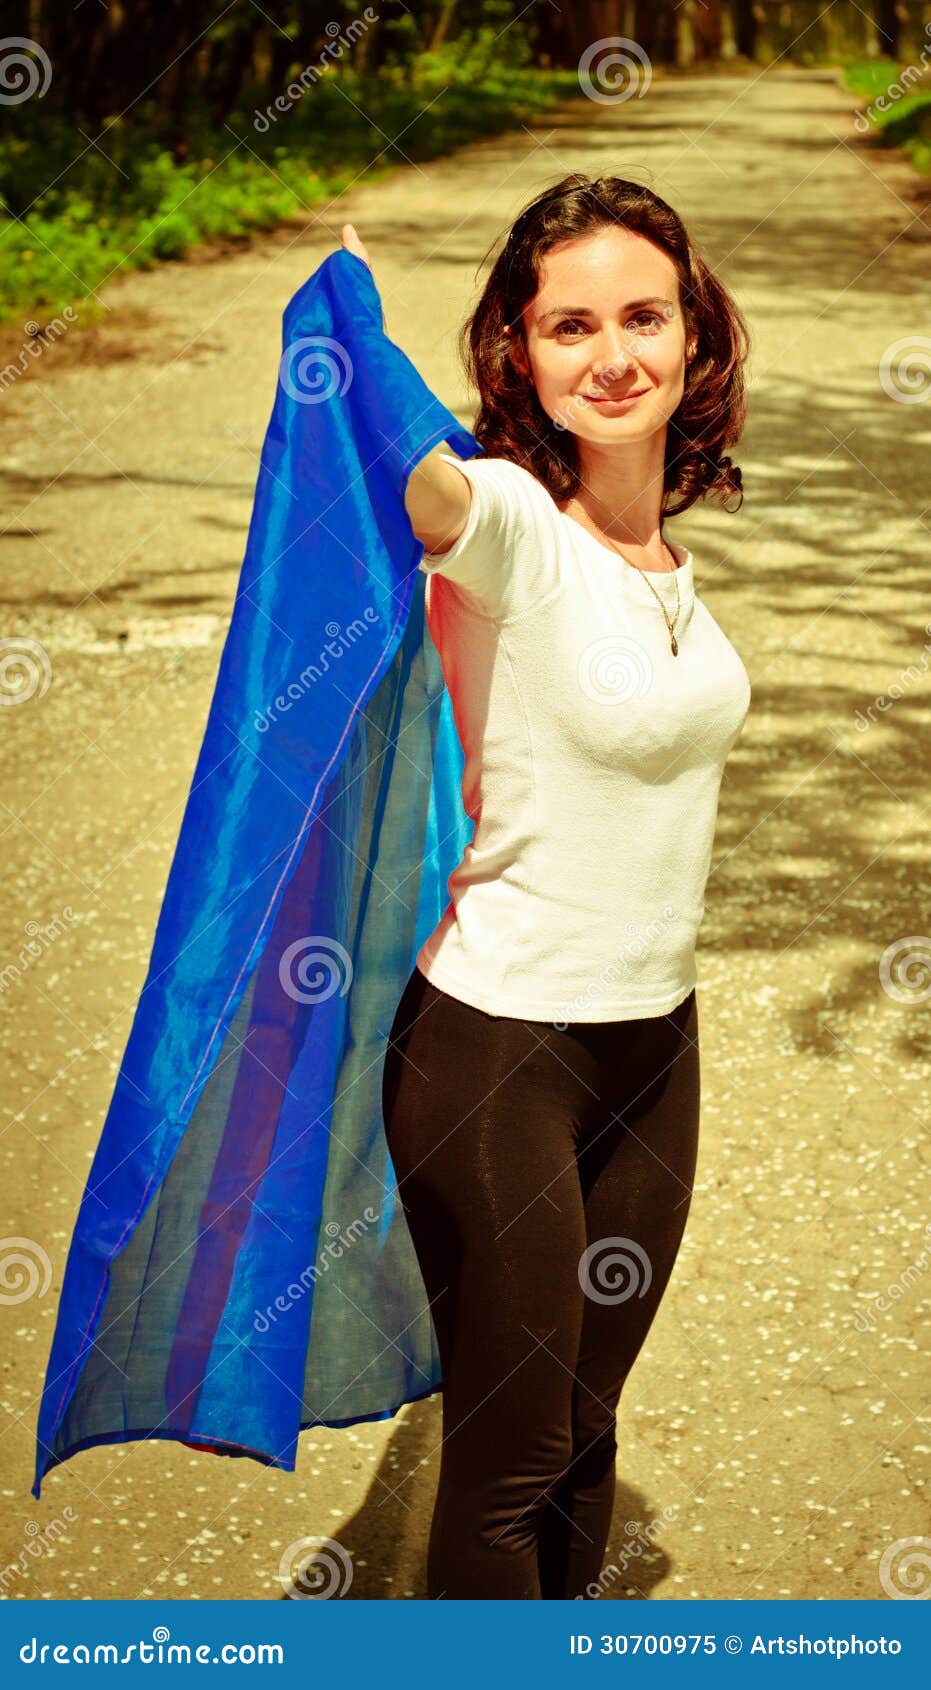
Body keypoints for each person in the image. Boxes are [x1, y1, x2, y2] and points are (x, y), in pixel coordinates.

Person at [342, 174, 752, 1599]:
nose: (613, 354)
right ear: (518, 350)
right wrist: (358, 352)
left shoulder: (663, 553)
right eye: (568, 325)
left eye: (643, 315)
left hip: (656, 1043)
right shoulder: (515, 519)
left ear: (693, 333)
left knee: (583, 1428)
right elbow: (432, 496)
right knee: (512, 1455)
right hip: (496, 1050)